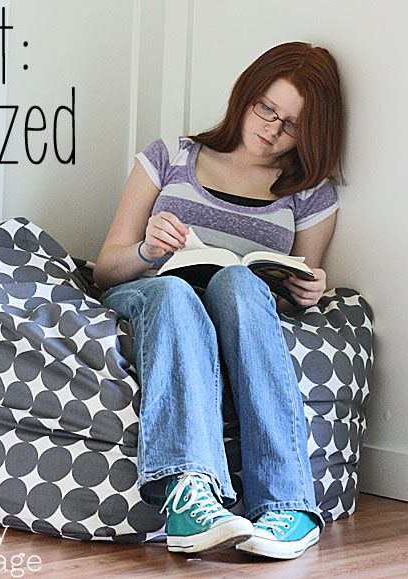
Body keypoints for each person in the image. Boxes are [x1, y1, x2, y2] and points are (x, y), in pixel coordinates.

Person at [93, 41, 343, 559]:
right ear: (245, 96)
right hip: (156, 292)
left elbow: (298, 289)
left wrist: (311, 289)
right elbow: (105, 268)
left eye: (291, 124)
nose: (271, 128)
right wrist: (146, 248)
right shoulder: (170, 156)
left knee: (238, 282)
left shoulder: (310, 192)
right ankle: (190, 496)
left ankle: (288, 504)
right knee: (175, 291)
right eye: (265, 108)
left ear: (311, 131)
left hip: (241, 300)